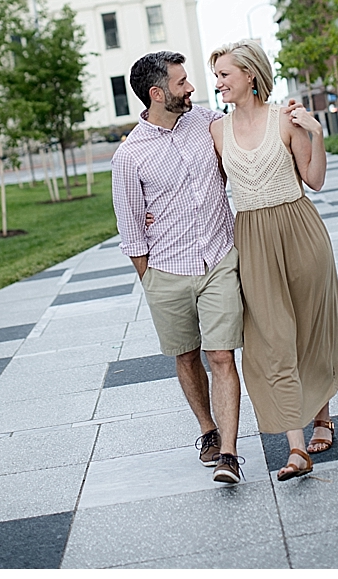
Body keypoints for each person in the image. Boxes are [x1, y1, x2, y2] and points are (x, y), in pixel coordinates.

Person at [208, 39, 338, 480]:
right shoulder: (217, 132)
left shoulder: (286, 119)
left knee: (310, 332)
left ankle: (322, 418)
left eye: (224, 74)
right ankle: (297, 450)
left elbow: (314, 180)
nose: (218, 82)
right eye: (217, 75)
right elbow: (207, 190)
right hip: (252, 239)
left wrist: (315, 133)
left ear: (249, 75)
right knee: (271, 341)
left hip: (300, 232)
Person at [110, 51, 246, 484]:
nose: (190, 88)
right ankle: (207, 430)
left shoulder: (205, 122)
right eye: (181, 82)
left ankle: (228, 453)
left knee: (221, 355)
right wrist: (150, 279)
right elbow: (131, 229)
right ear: (157, 93)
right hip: (167, 270)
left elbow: (249, 128)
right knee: (187, 355)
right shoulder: (129, 157)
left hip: (219, 258)